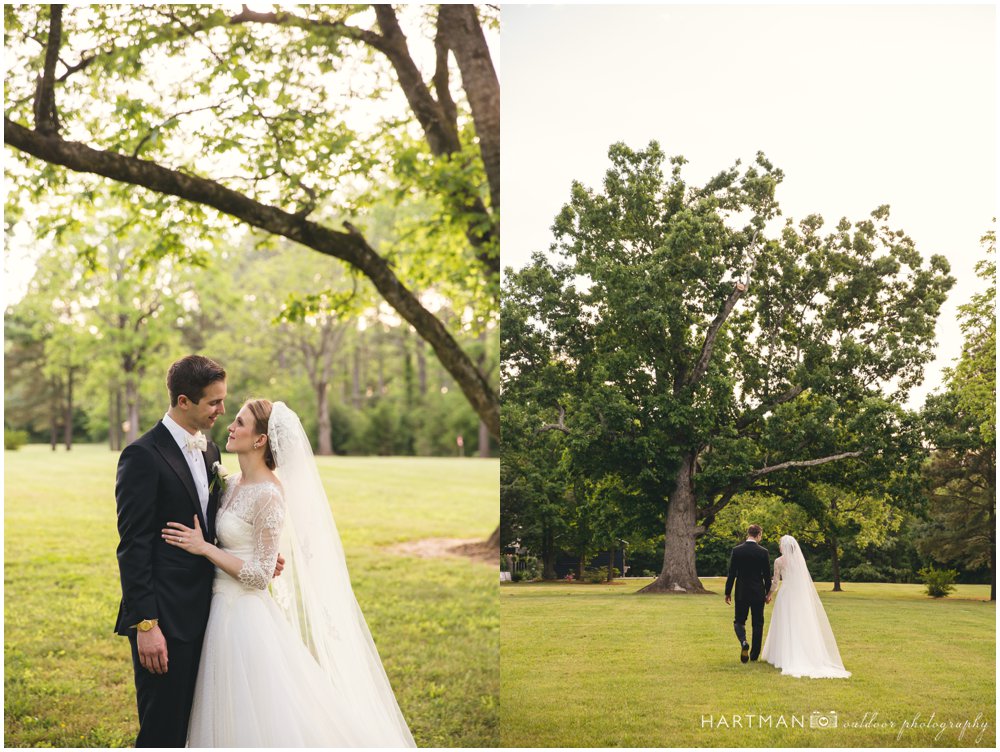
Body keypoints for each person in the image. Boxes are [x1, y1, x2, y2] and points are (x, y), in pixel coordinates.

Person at [162, 399, 415, 746]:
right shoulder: (230, 482)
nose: (229, 428)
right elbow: (250, 549)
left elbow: (261, 575)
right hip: (216, 605)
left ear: (260, 440)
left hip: (243, 616)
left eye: (240, 423)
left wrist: (204, 548)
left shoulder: (269, 494)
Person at [113, 355, 228, 747]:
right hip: (166, 618)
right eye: (213, 402)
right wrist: (146, 624)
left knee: (200, 725)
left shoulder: (211, 452)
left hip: (210, 612)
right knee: (163, 729)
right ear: (183, 401)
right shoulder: (142, 456)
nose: (221, 410)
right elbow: (133, 545)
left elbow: (211, 528)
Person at [760, 534, 851, 678]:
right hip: (798, 595)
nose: (779, 546)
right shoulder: (799, 561)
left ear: (784, 546)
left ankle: (782, 655)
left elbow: (776, 582)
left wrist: (769, 594)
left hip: (786, 595)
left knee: (784, 622)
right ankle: (803, 652)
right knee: (799, 623)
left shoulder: (779, 561)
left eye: (780, 544)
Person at [724, 524, 772, 664]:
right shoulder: (763, 552)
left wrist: (728, 592)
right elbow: (767, 576)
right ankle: (754, 655)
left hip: (742, 592)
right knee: (758, 623)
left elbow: (732, 573)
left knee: (739, 621)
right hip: (758, 592)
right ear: (758, 535)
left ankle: (744, 641)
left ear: (748, 534)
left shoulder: (737, 551)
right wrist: (768, 593)